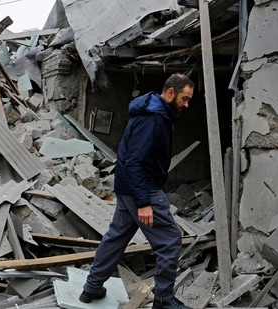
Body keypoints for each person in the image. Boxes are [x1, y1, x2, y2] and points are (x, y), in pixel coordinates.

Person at [79, 73, 195, 309]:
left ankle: (91, 287)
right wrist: (143, 202)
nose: (186, 104)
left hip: (127, 187)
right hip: (142, 188)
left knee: (116, 238)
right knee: (170, 240)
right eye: (184, 98)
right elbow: (135, 161)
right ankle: (163, 300)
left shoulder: (154, 113)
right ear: (170, 92)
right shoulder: (152, 119)